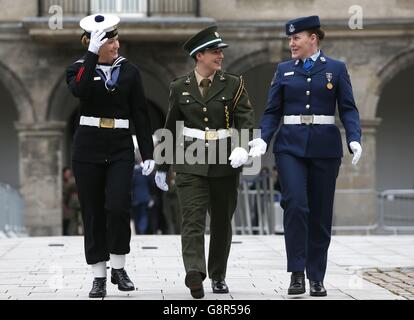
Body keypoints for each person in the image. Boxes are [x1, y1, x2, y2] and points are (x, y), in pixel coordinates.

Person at [249, 16, 362, 297]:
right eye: (289, 39)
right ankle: (297, 273)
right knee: (296, 205)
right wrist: (263, 139)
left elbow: (348, 108)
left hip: (325, 148)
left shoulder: (336, 69)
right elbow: (273, 110)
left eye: (295, 38)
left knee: (321, 214)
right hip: (289, 147)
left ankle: (317, 277)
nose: (291, 44)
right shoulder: (284, 70)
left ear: (313, 38)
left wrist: (354, 138)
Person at [154, 25, 254, 298]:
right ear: (199, 56)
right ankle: (195, 273)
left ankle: (218, 276)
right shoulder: (179, 87)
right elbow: (171, 127)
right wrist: (163, 166)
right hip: (190, 161)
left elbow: (245, 119)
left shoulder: (234, 84)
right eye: (214, 52)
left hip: (224, 160)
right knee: (192, 219)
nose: (220, 56)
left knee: (221, 222)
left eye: (220, 51)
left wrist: (243, 148)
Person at [66, 14, 155, 298]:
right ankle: (99, 276)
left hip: (119, 146)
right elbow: (79, 90)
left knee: (118, 206)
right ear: (94, 42)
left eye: (116, 39)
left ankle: (119, 266)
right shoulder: (78, 69)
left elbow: (140, 113)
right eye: (110, 40)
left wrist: (148, 153)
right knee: (92, 211)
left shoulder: (129, 71)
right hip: (88, 147)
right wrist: (91, 55)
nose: (117, 45)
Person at [131, 158, 152, 235]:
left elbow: (130, 185)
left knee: (136, 215)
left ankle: (138, 231)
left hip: (135, 198)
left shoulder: (132, 172)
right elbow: (150, 183)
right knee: (143, 214)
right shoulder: (144, 171)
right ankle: (142, 229)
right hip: (145, 197)